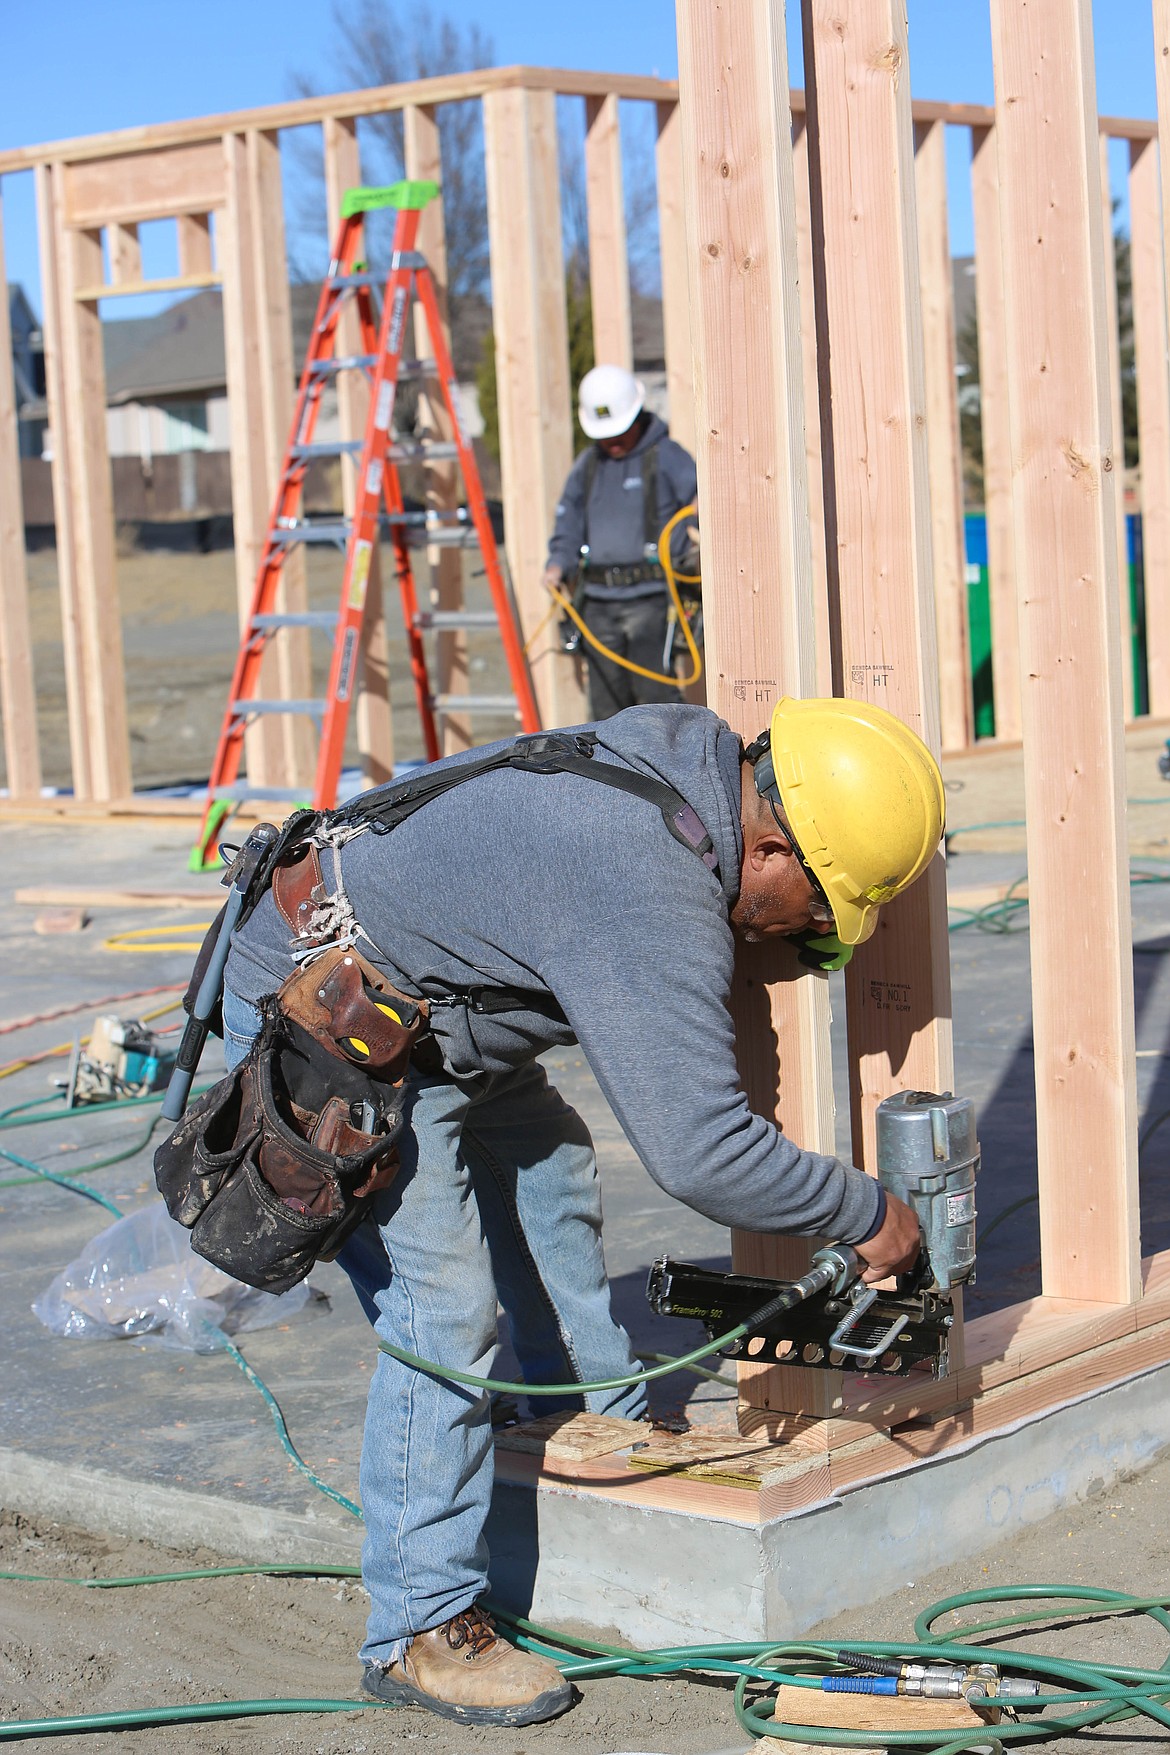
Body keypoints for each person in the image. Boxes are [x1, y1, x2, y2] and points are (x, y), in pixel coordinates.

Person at [218, 694, 943, 1728]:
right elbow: (701, 1153)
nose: (812, 936)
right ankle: (419, 1627)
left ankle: (596, 1427)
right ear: (772, 848)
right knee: (442, 1307)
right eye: (822, 910)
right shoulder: (646, 882)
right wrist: (864, 1211)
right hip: (323, 1015)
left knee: (548, 1163)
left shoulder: (692, 772)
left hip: (424, 1001)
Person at [544, 363, 699, 719]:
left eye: (619, 433)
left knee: (656, 706)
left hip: (652, 603)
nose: (612, 442)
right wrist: (558, 563)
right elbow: (568, 522)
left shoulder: (667, 456)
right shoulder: (588, 466)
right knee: (606, 711)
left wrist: (701, 508)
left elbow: (703, 503)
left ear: (637, 416)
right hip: (597, 607)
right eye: (605, 435)